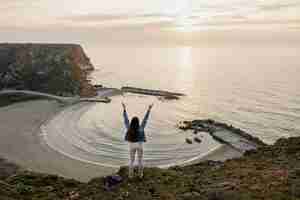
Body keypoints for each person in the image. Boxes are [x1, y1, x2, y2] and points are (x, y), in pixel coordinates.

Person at [122, 102, 154, 178]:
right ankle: (140, 175)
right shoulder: (141, 128)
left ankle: (130, 176)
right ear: (138, 122)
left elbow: (126, 120)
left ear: (132, 122)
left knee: (131, 161)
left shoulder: (129, 128)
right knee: (140, 161)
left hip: (132, 145)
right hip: (139, 145)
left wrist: (124, 109)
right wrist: (149, 109)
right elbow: (145, 119)